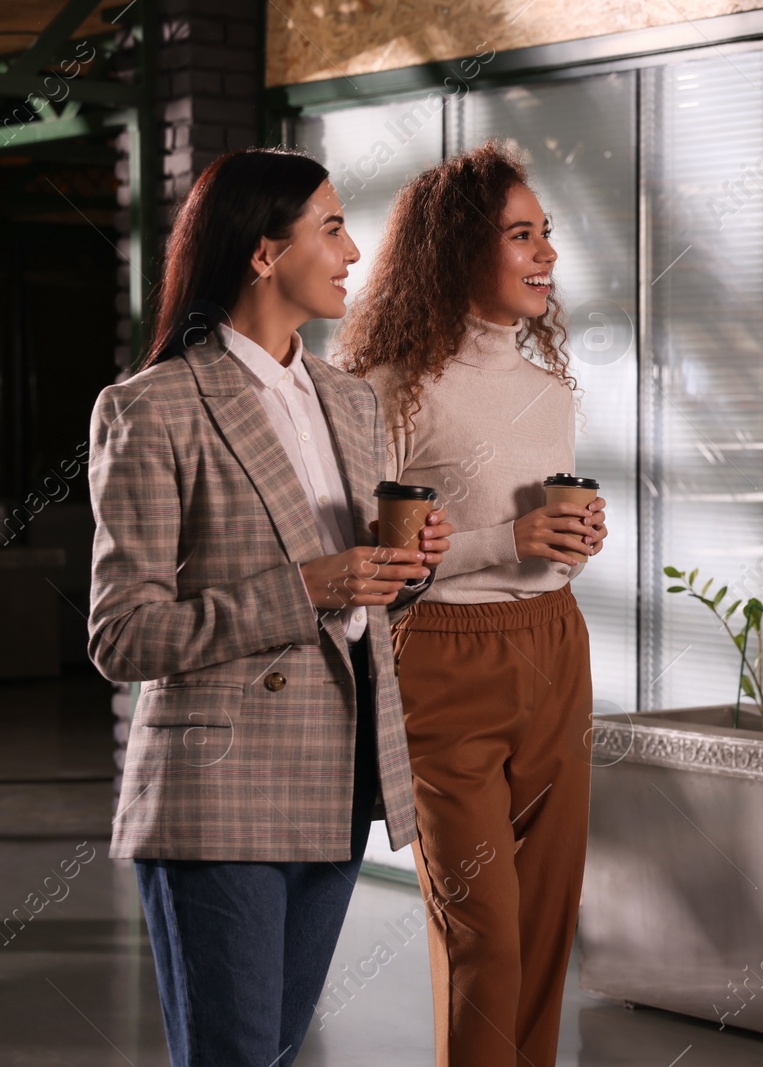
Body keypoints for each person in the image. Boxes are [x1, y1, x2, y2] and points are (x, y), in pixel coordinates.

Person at [87, 148, 454, 1066]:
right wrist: (308, 589)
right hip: (216, 792)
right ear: (262, 253)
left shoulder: (348, 401)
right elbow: (121, 633)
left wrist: (405, 570)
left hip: (337, 784)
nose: (354, 250)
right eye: (331, 228)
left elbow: (359, 599)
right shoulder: (153, 407)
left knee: (276, 1053)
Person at [340, 140, 606, 1067]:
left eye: (547, 235)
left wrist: (571, 545)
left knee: (542, 927)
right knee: (483, 933)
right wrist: (509, 542)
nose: (546, 255)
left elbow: (547, 552)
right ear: (460, 251)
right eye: (521, 235)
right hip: (442, 662)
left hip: (552, 649)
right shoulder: (391, 393)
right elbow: (377, 567)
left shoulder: (550, 390)